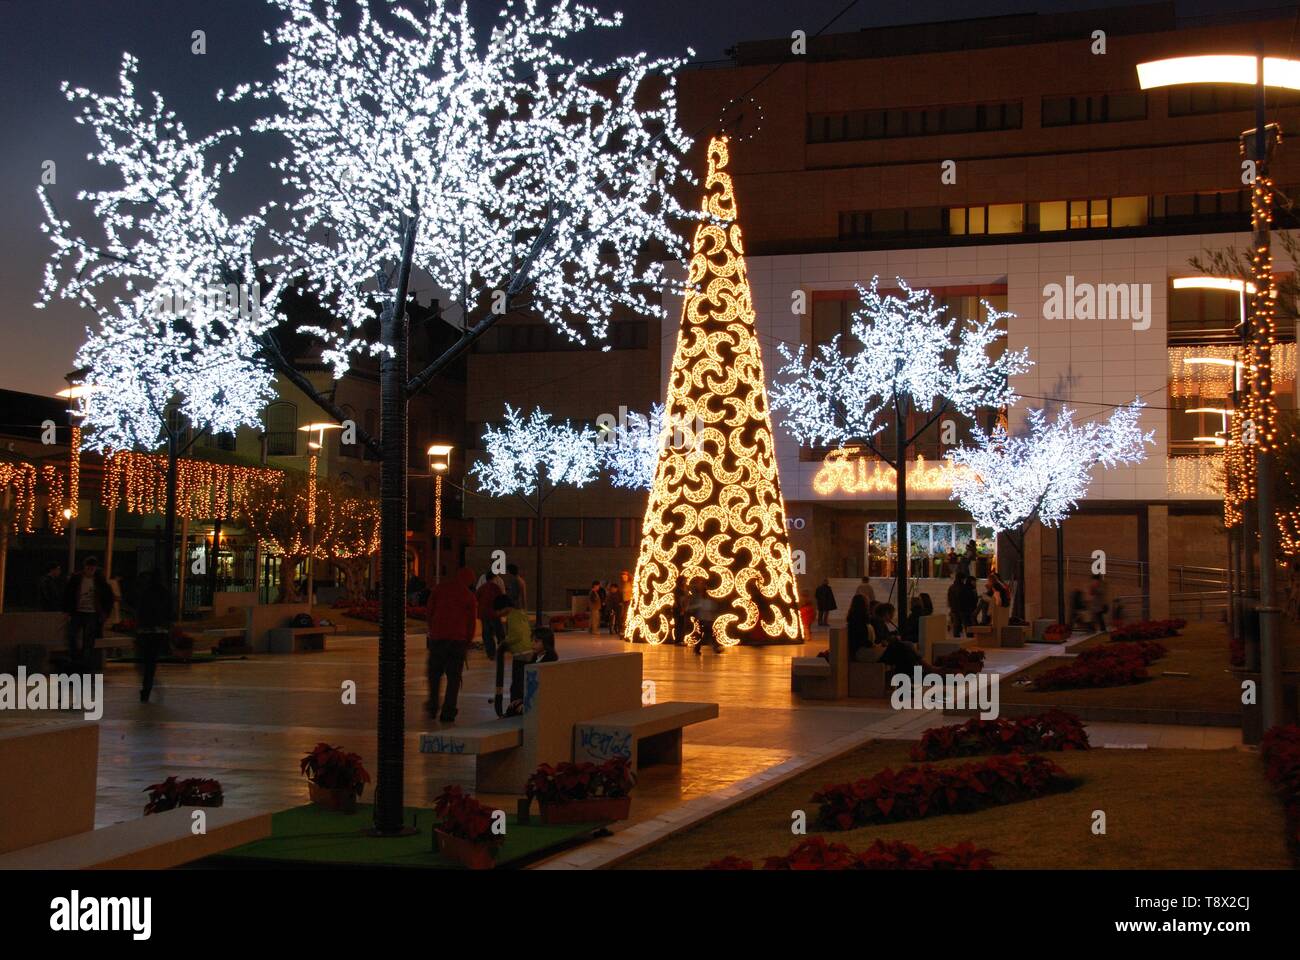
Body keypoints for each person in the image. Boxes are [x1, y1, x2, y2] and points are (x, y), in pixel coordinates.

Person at [424, 567, 477, 723]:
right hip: (457, 642)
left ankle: (433, 706)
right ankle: (448, 712)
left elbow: (429, 611)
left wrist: (433, 629)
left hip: (438, 639)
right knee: (453, 678)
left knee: (434, 675)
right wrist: (467, 642)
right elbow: (471, 623)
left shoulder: (440, 589)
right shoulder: (469, 596)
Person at [64, 556, 114, 668]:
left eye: (92, 568)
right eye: (89, 568)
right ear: (85, 567)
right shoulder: (78, 579)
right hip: (80, 611)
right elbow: (68, 594)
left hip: (90, 612)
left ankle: (83, 661)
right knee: (74, 635)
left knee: (87, 638)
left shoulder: (98, 580)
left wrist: (104, 613)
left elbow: (108, 596)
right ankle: (79, 659)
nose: (90, 570)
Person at [134, 569, 171, 703]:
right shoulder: (164, 593)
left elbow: (140, 611)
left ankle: (146, 687)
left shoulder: (146, 592)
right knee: (151, 662)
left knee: (145, 661)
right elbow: (169, 612)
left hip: (145, 632)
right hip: (158, 631)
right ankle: (147, 686)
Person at [506, 627, 559, 716]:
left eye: (536, 641)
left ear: (546, 643)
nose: (532, 644)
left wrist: (527, 702)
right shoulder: (535, 658)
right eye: (532, 640)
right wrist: (521, 699)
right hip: (531, 699)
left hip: (541, 703)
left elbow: (543, 688)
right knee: (512, 708)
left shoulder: (549, 661)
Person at [495, 594, 535, 703]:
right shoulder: (521, 613)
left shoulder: (512, 617)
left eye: (498, 610)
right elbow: (526, 632)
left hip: (520, 654)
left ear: (504, 607)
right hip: (529, 651)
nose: (498, 614)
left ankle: (515, 705)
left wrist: (505, 642)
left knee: (517, 684)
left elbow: (517, 635)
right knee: (523, 681)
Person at [688, 578, 723, 656]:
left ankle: (698, 648)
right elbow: (693, 606)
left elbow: (709, 606)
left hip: (707, 618)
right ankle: (715, 647)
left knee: (706, 634)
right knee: (708, 633)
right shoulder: (697, 596)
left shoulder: (703, 596)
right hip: (703, 618)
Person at [476, 574, 504, 660]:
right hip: (494, 613)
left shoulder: (482, 587)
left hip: (484, 614)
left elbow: (476, 598)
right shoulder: (496, 587)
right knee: (499, 633)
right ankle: (501, 650)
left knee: (487, 634)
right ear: (493, 578)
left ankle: (491, 654)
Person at [845, 594, 873, 662]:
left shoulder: (854, 618)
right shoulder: (858, 621)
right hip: (860, 652)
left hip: (859, 650)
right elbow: (860, 639)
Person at [672, 576, 691, 644]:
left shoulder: (685, 588)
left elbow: (687, 598)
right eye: (684, 580)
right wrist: (681, 610)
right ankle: (678, 640)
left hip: (684, 608)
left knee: (682, 625)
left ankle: (681, 640)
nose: (686, 582)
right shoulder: (677, 589)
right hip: (678, 609)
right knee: (679, 625)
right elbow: (677, 600)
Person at [618, 570, 634, 639]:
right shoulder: (622, 585)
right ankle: (623, 631)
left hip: (630, 601)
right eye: (622, 577)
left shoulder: (631, 583)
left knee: (626, 616)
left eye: (625, 577)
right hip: (625, 602)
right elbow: (621, 594)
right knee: (623, 617)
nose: (624, 578)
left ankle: (627, 631)